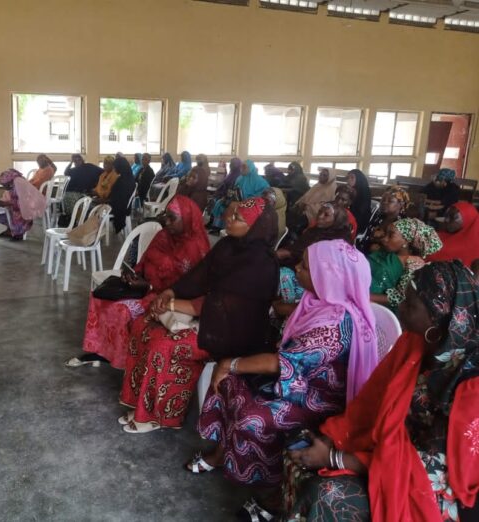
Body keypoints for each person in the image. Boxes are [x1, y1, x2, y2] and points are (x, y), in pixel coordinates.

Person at [190, 240, 377, 517]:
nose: (297, 269)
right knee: (229, 383)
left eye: (304, 266)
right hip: (297, 380)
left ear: (327, 276)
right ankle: (223, 451)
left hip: (318, 398)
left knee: (253, 415)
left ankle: (270, 490)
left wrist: (231, 363)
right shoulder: (318, 303)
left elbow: (285, 362)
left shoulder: (335, 327)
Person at [286, 261, 479, 522]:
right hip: (390, 450)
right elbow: (372, 401)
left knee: (329, 495)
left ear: (437, 316)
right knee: (296, 443)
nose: (400, 308)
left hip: (429, 483)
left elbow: (430, 468)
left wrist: (335, 458)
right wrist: (336, 439)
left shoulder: (470, 386)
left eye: (410, 305)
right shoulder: (415, 343)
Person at [118, 198, 279, 433]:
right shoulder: (228, 245)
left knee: (166, 344)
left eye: (238, 218)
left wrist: (171, 304)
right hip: (208, 317)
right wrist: (171, 292)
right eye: (233, 214)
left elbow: (222, 305)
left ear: (254, 228)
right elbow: (199, 276)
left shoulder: (261, 264)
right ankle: (141, 402)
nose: (229, 218)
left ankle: (160, 415)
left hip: (231, 331)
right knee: (144, 325)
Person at [66, 195, 209, 369]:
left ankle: (124, 359)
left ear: (187, 219)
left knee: (122, 309)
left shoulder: (195, 247)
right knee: (100, 296)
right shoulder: (164, 235)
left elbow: (189, 287)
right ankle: (99, 351)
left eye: (173, 218)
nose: (167, 222)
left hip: (165, 298)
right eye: (166, 216)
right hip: (144, 287)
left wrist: (149, 286)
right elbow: (145, 261)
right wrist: (133, 274)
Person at [369, 218, 442, 310]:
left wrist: (364, 297)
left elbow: (399, 297)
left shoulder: (414, 264)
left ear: (405, 241)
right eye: (385, 233)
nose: (384, 239)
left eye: (391, 235)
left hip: (379, 308)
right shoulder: (383, 252)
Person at [210, 160, 269, 231]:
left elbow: (263, 197)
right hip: (237, 199)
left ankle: (232, 228)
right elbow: (233, 190)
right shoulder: (240, 178)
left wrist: (244, 201)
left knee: (232, 205)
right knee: (220, 203)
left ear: (251, 168)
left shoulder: (260, 181)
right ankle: (218, 226)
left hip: (251, 203)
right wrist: (227, 197)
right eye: (241, 166)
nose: (242, 169)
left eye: (244, 167)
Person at [357, 186, 410, 254]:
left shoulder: (403, 224)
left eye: (390, 201)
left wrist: (380, 248)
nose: (384, 202)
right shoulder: (378, 217)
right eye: (383, 199)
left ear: (401, 204)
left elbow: (401, 249)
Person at [0, 168, 46, 240]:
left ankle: (19, 233)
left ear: (9, 181)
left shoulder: (19, 184)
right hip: (20, 204)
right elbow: (11, 198)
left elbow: (23, 202)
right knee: (5, 210)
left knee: (17, 212)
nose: (4, 187)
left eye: (5, 184)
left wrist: (7, 203)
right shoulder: (13, 184)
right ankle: (10, 230)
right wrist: (2, 202)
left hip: (29, 205)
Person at [428, 201, 479, 268]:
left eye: (453, 217)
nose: (447, 220)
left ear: (468, 219)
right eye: (446, 216)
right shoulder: (453, 234)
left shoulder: (467, 245)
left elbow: (434, 255)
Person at [61, 154, 103, 220]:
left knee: (74, 201)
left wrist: (97, 186)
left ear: (82, 160)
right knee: (66, 198)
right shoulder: (73, 170)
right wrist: (71, 163)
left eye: (78, 159)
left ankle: (78, 219)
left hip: (83, 193)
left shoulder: (89, 167)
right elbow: (66, 172)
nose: (77, 161)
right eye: (75, 160)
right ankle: (74, 219)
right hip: (73, 192)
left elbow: (102, 171)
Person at [209, 157, 243, 229]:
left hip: (229, 196)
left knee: (218, 203)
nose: (231, 165)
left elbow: (233, 189)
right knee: (212, 200)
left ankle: (217, 226)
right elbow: (223, 184)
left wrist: (223, 196)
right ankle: (212, 222)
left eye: (233, 164)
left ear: (237, 165)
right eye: (231, 163)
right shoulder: (231, 173)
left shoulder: (239, 176)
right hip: (223, 193)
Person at [108, 156, 137, 234]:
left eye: (115, 167)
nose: (114, 169)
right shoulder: (129, 178)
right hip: (125, 206)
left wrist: (105, 201)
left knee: (93, 208)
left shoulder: (122, 181)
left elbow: (117, 199)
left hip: (120, 208)